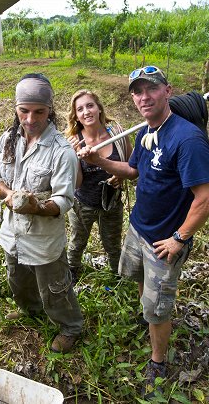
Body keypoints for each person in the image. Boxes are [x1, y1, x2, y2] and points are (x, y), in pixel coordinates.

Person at [78, 66, 209, 398]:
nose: (144, 97)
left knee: (159, 308)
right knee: (137, 280)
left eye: (151, 89)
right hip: (139, 227)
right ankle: (148, 314)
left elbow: (207, 199)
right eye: (137, 92)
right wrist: (99, 162)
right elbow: (133, 169)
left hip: (165, 240)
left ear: (167, 91)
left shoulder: (187, 139)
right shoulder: (146, 132)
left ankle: (157, 360)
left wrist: (179, 238)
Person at [0, 73, 84, 354]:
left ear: (50, 110)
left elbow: (64, 200)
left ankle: (71, 327)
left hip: (43, 240)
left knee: (56, 288)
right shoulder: (8, 139)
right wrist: (8, 195)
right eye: (24, 111)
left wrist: (36, 208)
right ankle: (30, 309)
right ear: (16, 109)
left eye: (39, 112)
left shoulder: (61, 151)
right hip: (12, 233)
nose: (30, 119)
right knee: (17, 279)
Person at [64, 89, 132, 281]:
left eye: (90, 105)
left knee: (113, 245)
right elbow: (76, 183)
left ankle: (118, 280)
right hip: (83, 204)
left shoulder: (118, 133)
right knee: (77, 243)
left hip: (112, 203)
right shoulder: (74, 141)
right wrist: (73, 156)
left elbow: (132, 166)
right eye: (80, 109)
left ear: (99, 108)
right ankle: (72, 275)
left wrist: (121, 176)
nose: (86, 111)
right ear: (76, 116)